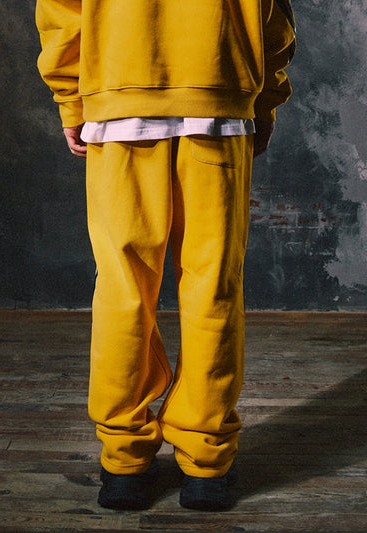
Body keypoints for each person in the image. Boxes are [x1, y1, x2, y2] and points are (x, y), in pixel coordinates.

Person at [36, 0, 296, 511]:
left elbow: (61, 10)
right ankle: (205, 464)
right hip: (219, 94)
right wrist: (264, 101)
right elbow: (274, 15)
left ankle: (124, 462)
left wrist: (71, 99)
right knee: (213, 287)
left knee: (123, 291)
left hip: (118, 99)